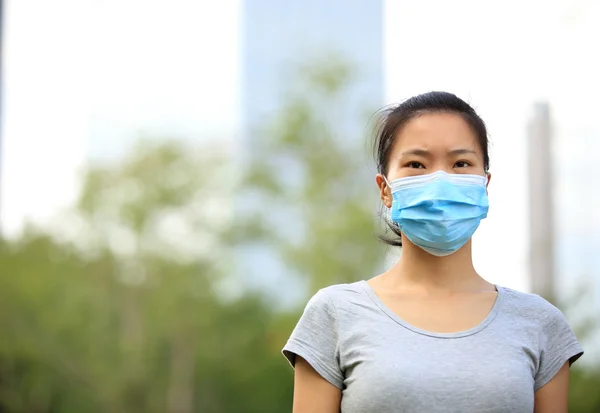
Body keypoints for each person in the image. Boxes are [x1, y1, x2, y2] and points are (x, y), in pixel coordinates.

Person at [282, 91, 583, 413]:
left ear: (484, 183)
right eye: (416, 164)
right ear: (385, 190)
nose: (440, 180)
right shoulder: (335, 313)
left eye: (461, 163)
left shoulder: (540, 322)